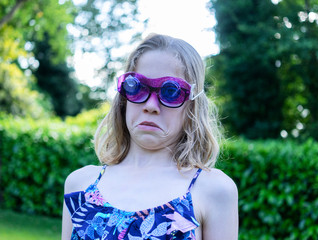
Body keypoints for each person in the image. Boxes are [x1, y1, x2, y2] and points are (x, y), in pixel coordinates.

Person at [62, 34, 238, 240]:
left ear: (193, 104)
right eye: (136, 86)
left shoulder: (213, 190)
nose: (151, 106)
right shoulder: (81, 184)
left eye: (171, 91)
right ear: (123, 97)